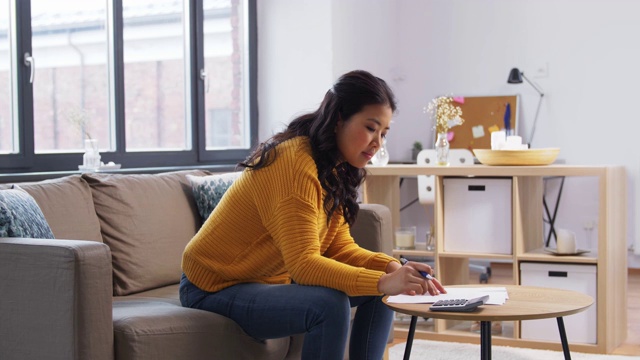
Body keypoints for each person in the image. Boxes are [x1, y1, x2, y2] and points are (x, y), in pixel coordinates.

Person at [180, 70, 445, 360]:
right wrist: (383, 281)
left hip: (261, 282)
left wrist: (391, 268)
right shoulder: (293, 162)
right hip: (213, 286)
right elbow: (304, 265)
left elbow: (339, 248)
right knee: (328, 304)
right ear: (339, 119)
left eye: (383, 133)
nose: (377, 142)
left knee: (382, 285)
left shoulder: (333, 167)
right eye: (370, 128)